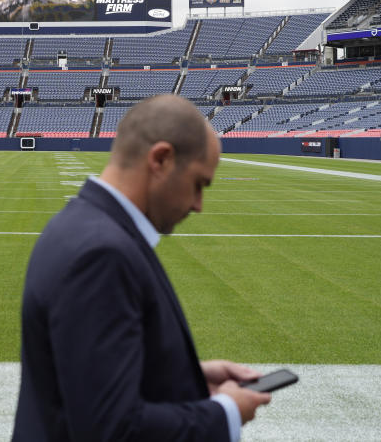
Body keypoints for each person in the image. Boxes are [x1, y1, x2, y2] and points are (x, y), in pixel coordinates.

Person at [13, 95, 271, 441]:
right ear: (161, 159)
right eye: (198, 184)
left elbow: (86, 376)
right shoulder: (102, 254)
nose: (198, 205)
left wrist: (189, 375)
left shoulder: (82, 225)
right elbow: (111, 430)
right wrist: (225, 412)